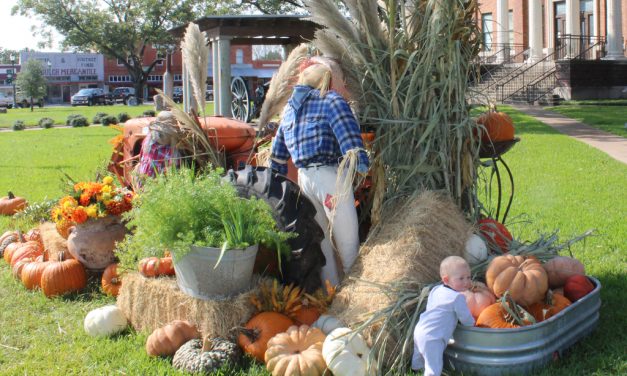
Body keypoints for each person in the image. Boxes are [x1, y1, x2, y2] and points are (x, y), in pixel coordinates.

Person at [269, 62, 369, 286]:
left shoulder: (289, 112)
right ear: (327, 80)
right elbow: (349, 140)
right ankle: (357, 292)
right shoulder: (331, 101)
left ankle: (330, 294)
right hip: (329, 178)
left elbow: (277, 155)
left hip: (305, 180)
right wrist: (362, 165)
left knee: (320, 240)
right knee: (348, 240)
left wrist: (276, 176)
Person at [412, 256, 475, 376]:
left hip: (420, 329)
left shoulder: (436, 290)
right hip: (433, 338)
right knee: (434, 366)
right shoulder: (457, 297)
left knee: (419, 356)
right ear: (446, 280)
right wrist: (473, 324)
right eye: (461, 279)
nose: (466, 282)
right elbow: (466, 318)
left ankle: (415, 370)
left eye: (468, 277)